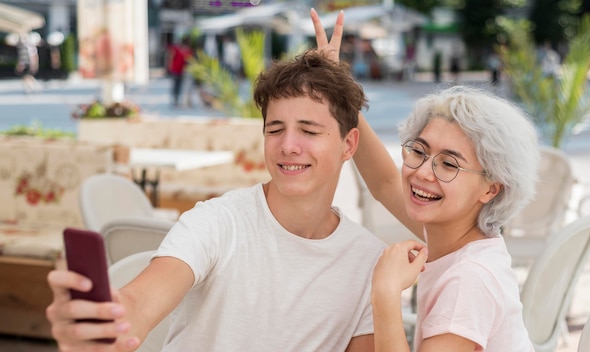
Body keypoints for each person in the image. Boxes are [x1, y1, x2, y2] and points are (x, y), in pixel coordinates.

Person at [46, 46, 386, 351]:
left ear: (349, 145)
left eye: (309, 131)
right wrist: (106, 325)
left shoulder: (368, 261)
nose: (288, 145)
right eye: (274, 129)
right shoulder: (216, 222)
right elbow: (140, 302)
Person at [313, 10, 538, 352]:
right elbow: (385, 182)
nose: (422, 172)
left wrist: (385, 294)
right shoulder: (454, 236)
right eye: (419, 150)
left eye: (449, 163)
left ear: (491, 188)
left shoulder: (469, 278)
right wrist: (339, 91)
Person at [166, 36, 193, 107]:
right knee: (176, 86)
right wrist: (169, 67)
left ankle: (177, 101)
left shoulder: (188, 51)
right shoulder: (177, 49)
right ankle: (175, 101)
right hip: (175, 70)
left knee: (179, 86)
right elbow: (171, 57)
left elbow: (188, 61)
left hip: (181, 71)